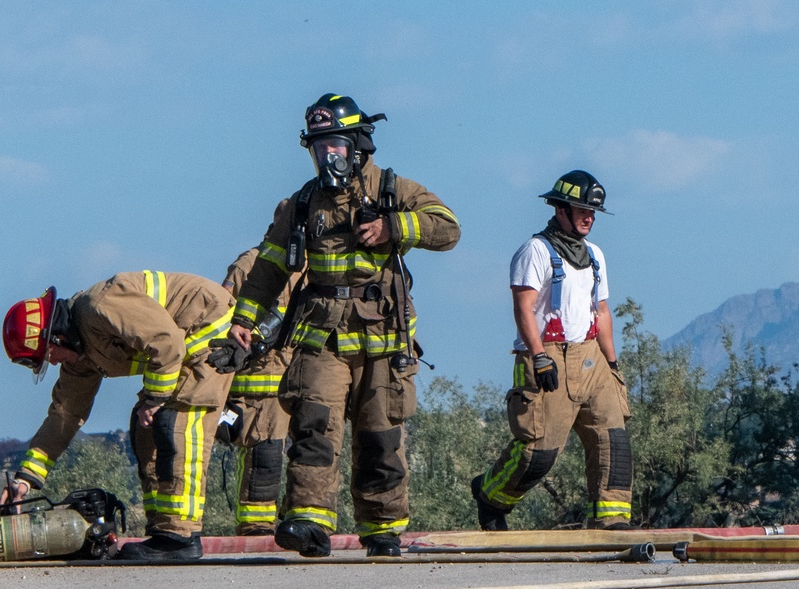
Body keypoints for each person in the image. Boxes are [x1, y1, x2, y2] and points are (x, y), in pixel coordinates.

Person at [222, 93, 460, 558]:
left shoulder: (396, 189)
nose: (325, 155)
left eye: (333, 145)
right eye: (318, 147)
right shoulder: (303, 203)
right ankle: (308, 523)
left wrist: (396, 227)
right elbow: (269, 268)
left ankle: (383, 528)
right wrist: (244, 321)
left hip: (384, 339)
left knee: (381, 434)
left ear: (357, 144)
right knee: (313, 427)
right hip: (322, 337)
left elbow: (448, 229)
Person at [0, 271, 235, 561]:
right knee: (145, 431)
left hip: (207, 329)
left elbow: (168, 342)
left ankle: (179, 537)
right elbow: (64, 416)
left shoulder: (101, 306)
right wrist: (26, 479)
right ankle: (161, 530)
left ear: (57, 335)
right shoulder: (80, 355)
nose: (53, 361)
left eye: (48, 354)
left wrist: (155, 398)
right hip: (180, 347)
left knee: (177, 424)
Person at [471, 170, 634, 531]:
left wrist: (613, 364)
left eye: (593, 212)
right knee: (539, 453)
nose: (589, 217)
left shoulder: (595, 256)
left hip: (592, 358)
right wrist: (539, 355)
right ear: (559, 209)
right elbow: (523, 308)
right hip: (547, 358)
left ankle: (611, 522)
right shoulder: (535, 251)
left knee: (613, 441)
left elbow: (602, 311)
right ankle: (491, 495)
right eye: (580, 210)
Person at [217, 248, 301, 536]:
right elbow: (222, 313)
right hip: (261, 381)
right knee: (263, 454)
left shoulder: (321, 264)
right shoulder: (251, 264)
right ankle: (257, 528)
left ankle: (299, 518)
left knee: (311, 453)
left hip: (305, 375)